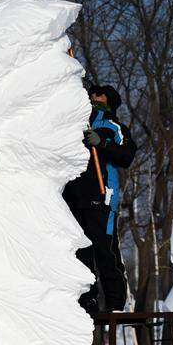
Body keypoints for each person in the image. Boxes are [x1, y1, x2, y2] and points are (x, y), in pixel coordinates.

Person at [63, 84, 137, 314]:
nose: (92, 95)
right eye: (91, 92)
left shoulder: (113, 126)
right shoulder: (77, 123)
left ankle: (115, 303)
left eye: (98, 93)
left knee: (105, 250)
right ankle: (88, 301)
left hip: (102, 196)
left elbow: (127, 154)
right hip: (74, 198)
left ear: (109, 100)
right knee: (81, 252)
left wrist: (102, 143)